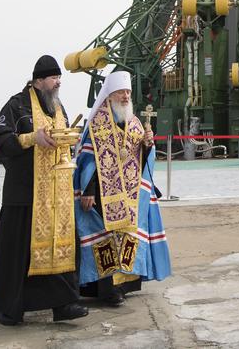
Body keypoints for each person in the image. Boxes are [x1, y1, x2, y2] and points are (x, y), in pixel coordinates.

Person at [0, 56, 87, 325]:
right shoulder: (16, 105)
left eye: (59, 79)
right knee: (18, 252)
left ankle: (64, 303)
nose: (58, 83)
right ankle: (10, 308)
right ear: (39, 80)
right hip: (24, 194)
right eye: (54, 78)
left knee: (61, 248)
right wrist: (33, 138)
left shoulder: (58, 106)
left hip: (58, 196)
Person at [74, 72, 171, 305]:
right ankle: (107, 290)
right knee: (104, 238)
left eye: (128, 93)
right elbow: (88, 159)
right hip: (100, 194)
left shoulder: (136, 122)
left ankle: (124, 286)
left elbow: (143, 159)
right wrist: (87, 190)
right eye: (121, 92)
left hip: (130, 194)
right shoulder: (98, 122)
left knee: (126, 236)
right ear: (110, 95)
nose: (126, 96)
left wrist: (148, 144)